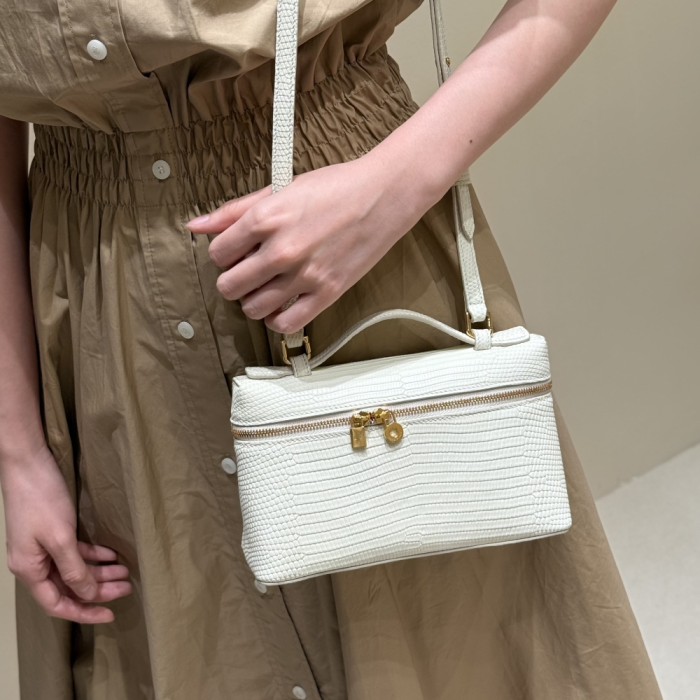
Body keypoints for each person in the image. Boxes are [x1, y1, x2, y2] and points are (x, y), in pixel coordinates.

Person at [0, 0, 663, 698]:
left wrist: (393, 186)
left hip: (350, 231)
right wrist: (18, 451)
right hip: (100, 309)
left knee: (454, 639)